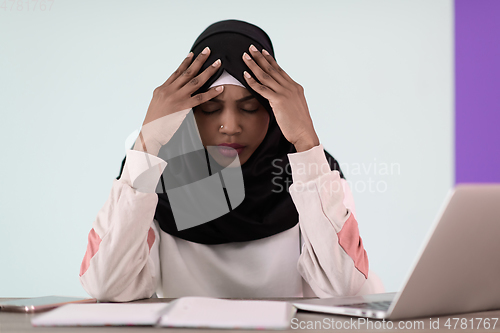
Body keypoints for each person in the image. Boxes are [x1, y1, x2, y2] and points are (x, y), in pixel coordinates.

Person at [79, 19, 371, 302]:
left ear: (273, 112)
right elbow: (106, 284)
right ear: (187, 112)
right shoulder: (153, 177)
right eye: (209, 109)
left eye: (249, 107)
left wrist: (307, 143)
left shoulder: (314, 171)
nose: (230, 126)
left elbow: (343, 289)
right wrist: (147, 143)